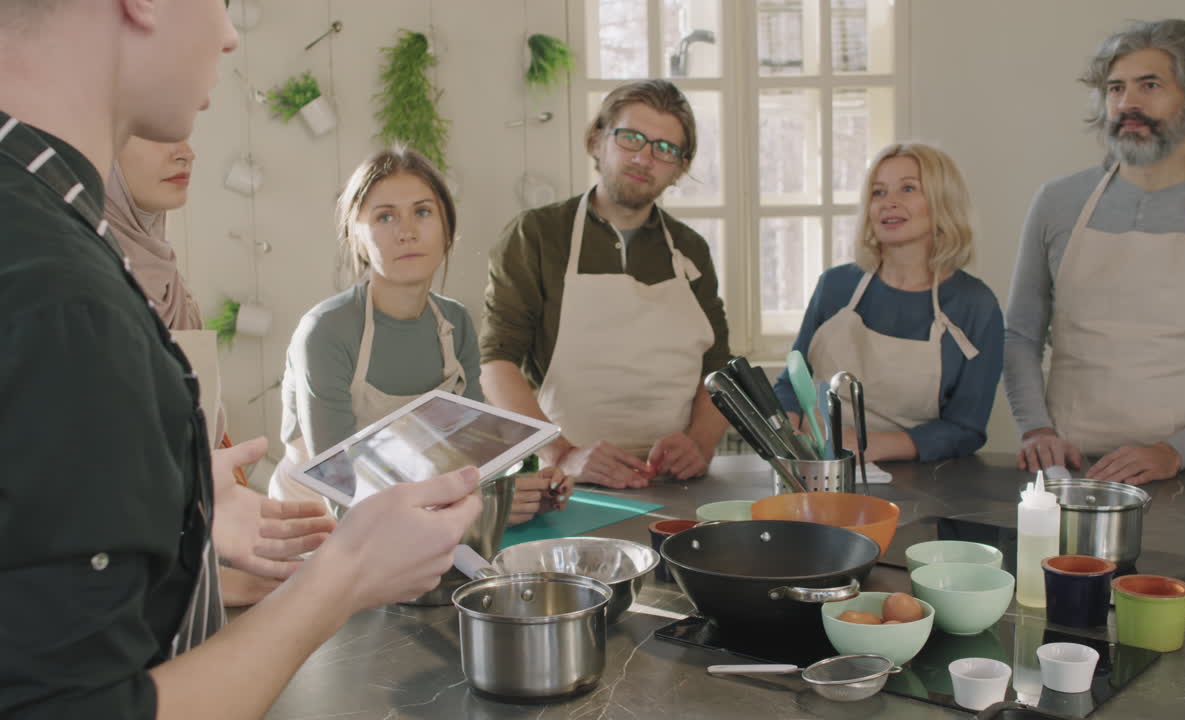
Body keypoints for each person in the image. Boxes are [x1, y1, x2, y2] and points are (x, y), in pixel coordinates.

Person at [0, 3, 480, 718]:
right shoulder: (64, 294)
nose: (228, 34)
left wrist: (184, 521)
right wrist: (342, 576)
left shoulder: (46, 232)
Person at [1005, 19, 1185, 485]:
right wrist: (1036, 428)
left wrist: (1173, 452)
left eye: (1149, 86)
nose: (1127, 103)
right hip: (1065, 473)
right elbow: (1019, 336)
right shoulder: (1057, 203)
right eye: (1115, 88)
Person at [268, 146, 567, 524]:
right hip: (316, 527)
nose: (407, 232)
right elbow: (342, 491)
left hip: (425, 519)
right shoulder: (326, 332)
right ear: (356, 236)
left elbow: (475, 455)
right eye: (385, 216)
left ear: (447, 231)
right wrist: (483, 508)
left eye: (422, 212)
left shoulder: (454, 323)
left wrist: (523, 485)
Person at [481, 80, 731, 489]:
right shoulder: (538, 236)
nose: (644, 158)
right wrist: (562, 453)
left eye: (665, 149)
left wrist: (699, 444)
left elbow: (718, 370)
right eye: (631, 137)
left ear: (679, 169)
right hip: (564, 484)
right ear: (597, 140)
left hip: (672, 482)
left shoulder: (690, 249)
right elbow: (496, 365)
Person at [108, 135, 285, 605]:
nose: (186, 152)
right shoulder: (82, 289)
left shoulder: (169, 281)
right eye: (157, 135)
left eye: (186, 135)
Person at [773, 143, 1004, 462]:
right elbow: (791, 383)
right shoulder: (836, 286)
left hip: (919, 482)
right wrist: (790, 433)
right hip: (818, 469)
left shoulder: (975, 306)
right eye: (878, 193)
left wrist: (865, 446)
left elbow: (966, 428)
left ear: (942, 203)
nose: (888, 203)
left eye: (908, 188)